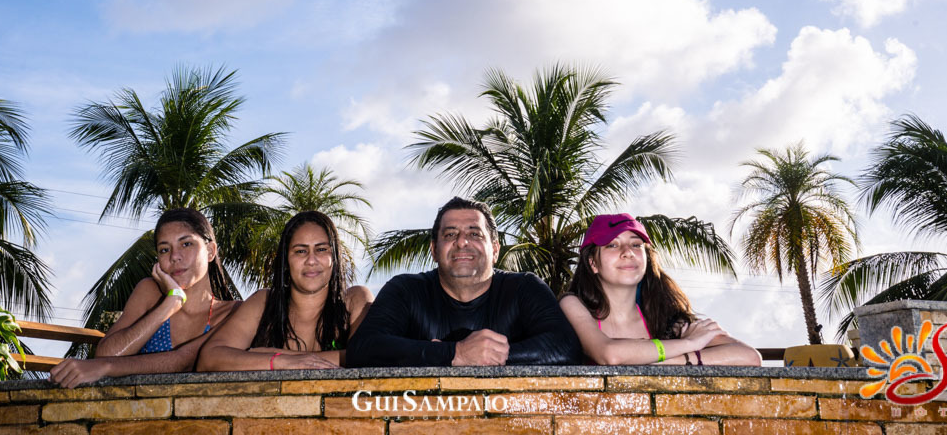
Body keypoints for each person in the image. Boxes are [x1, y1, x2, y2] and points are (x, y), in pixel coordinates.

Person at [346, 197, 583, 367]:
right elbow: (363, 349)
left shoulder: (524, 288)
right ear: (434, 250)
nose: (462, 242)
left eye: (474, 234)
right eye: (450, 234)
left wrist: (483, 355)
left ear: (495, 249)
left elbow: (565, 346)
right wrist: (454, 353)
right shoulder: (406, 290)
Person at [49, 208, 239, 388]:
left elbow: (184, 361)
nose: (174, 257)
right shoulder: (150, 294)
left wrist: (107, 367)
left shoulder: (233, 313)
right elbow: (107, 354)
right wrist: (171, 303)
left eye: (186, 244)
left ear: (211, 251)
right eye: (164, 249)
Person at [559, 213, 761, 366]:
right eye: (612, 245)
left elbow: (749, 357)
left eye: (636, 245)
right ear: (593, 263)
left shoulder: (663, 316)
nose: (628, 252)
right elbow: (610, 354)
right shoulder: (573, 305)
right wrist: (690, 344)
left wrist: (677, 360)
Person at [196, 210, 374, 370]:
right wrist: (281, 362)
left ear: (334, 258)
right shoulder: (264, 302)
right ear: (286, 260)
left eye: (321, 249)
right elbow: (209, 358)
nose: (311, 260)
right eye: (300, 251)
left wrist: (269, 354)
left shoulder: (354, 300)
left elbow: (368, 358)